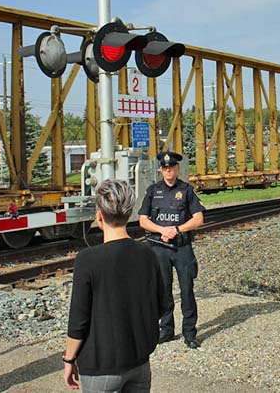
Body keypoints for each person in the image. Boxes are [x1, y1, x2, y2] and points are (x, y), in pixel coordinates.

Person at [63, 179, 172, 392]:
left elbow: (78, 319)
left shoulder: (88, 259)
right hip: (139, 361)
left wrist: (69, 359)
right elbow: (163, 304)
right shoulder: (148, 254)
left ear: (99, 216)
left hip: (100, 365)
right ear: (129, 213)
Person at [138, 151, 206, 349]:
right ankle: (166, 329)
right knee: (163, 291)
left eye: (172, 167)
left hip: (181, 247)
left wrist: (176, 230)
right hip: (159, 248)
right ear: (161, 170)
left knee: (187, 291)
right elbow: (143, 220)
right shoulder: (153, 191)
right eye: (165, 168)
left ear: (177, 168)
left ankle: (189, 333)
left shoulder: (186, 190)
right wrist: (162, 230)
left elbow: (198, 219)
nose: (168, 170)